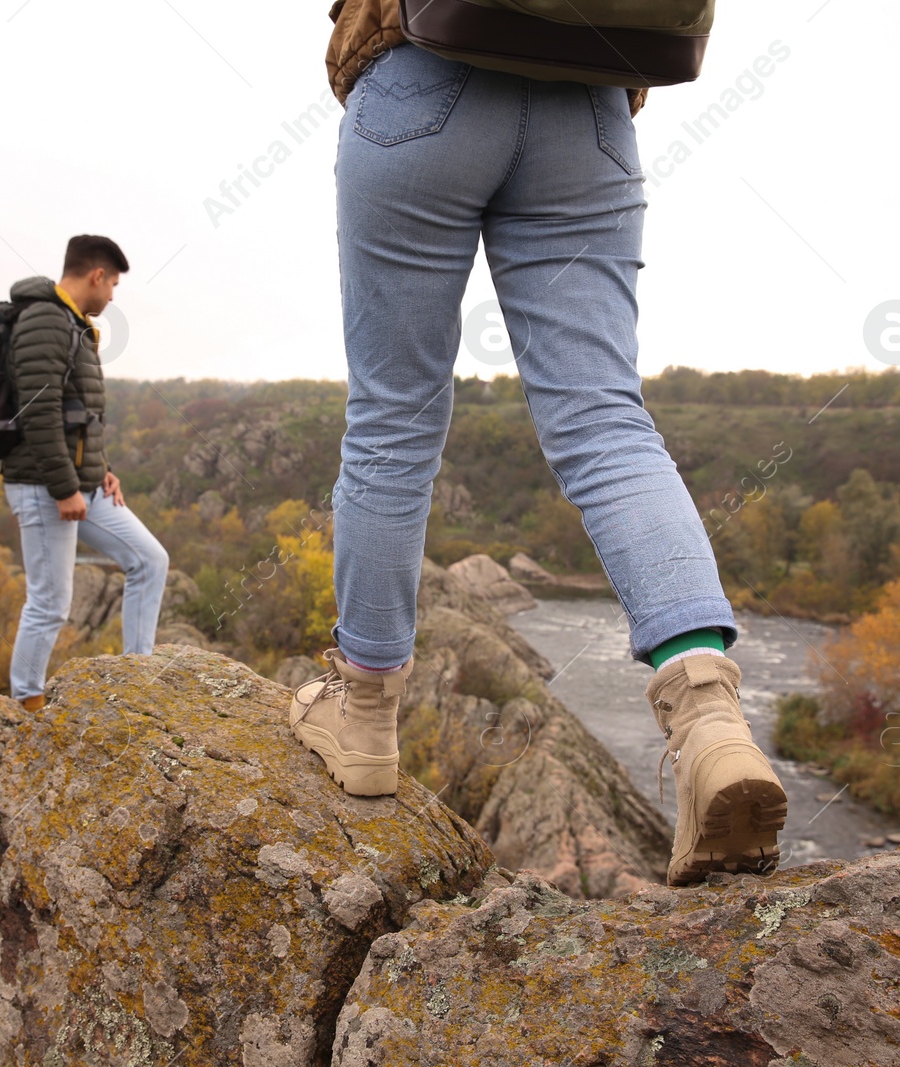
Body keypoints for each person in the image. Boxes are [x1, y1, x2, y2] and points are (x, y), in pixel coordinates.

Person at [289, 4, 788, 887]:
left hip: (422, 76)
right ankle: (709, 719)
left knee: (393, 417)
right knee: (605, 418)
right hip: (587, 103)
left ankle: (364, 713)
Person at [1, 235, 169, 712]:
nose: (113, 295)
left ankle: (138, 676)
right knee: (50, 602)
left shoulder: (73, 324)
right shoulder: (44, 320)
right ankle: (25, 706)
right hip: (44, 486)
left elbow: (80, 414)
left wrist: (103, 470)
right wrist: (63, 486)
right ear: (96, 275)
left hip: (82, 484)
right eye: (113, 284)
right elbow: (39, 413)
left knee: (149, 560)